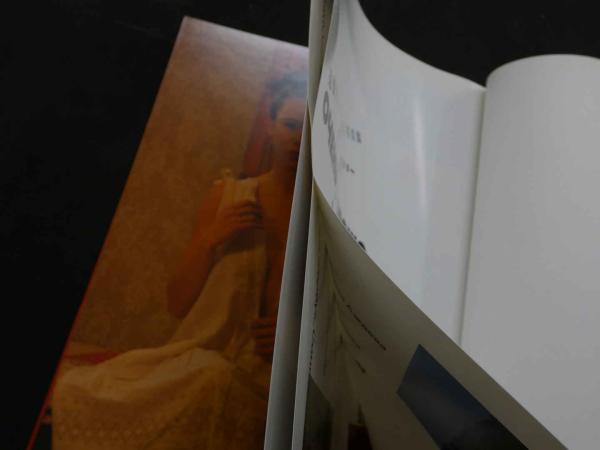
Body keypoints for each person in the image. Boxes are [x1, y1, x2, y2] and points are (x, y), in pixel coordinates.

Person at [50, 71, 306, 450]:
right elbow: (178, 303)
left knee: (216, 381)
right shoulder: (228, 196)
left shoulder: (321, 225)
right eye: (290, 124)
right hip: (206, 358)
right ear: (270, 126)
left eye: (309, 130)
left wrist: (296, 337)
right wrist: (210, 239)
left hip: (272, 379)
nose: (298, 139)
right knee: (77, 391)